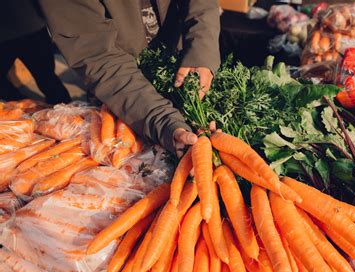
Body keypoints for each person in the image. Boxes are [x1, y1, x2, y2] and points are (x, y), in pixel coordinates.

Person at [38, 0, 221, 156]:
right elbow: (97, 55)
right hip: (123, 91)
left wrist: (202, 50)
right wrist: (162, 121)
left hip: (183, 66)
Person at [0, 0, 72, 105]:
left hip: (31, 29)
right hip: (29, 29)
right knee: (47, 78)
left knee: (46, 78)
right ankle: (23, 107)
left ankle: (66, 112)